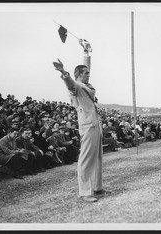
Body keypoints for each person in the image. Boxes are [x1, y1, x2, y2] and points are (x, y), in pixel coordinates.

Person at [53, 45, 110, 203]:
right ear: (77, 75)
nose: (88, 75)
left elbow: (85, 68)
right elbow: (70, 83)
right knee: (86, 158)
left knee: (97, 158)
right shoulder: (76, 86)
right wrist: (64, 74)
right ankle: (85, 192)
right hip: (87, 125)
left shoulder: (84, 84)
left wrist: (86, 53)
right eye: (85, 73)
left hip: (95, 124)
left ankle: (97, 187)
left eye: (88, 73)